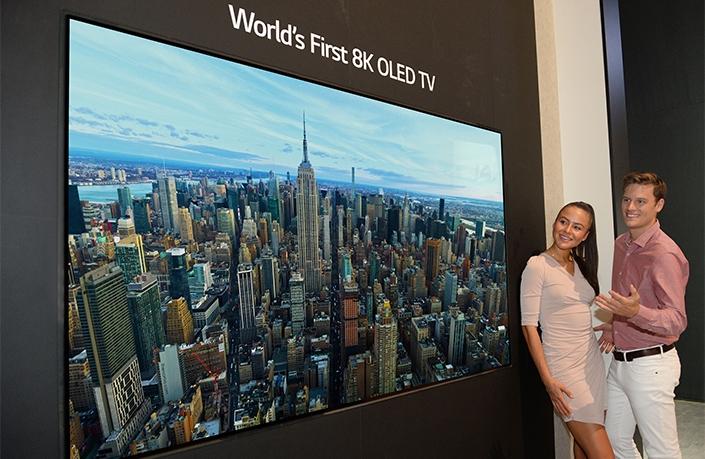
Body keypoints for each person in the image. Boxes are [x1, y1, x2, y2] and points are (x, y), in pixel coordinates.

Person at [594, 172, 689, 458]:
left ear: (658, 205)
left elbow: (677, 320)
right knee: (614, 441)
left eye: (640, 201)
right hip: (620, 363)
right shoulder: (621, 243)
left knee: (661, 451)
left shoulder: (664, 254)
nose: (630, 207)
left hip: (652, 365)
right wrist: (614, 323)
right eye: (626, 199)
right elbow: (623, 299)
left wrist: (636, 313)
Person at [521, 202, 614, 459]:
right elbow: (529, 327)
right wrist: (548, 380)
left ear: (585, 235)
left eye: (577, 227)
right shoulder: (537, 265)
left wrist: (613, 326)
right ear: (555, 222)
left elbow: (586, 308)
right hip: (563, 368)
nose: (567, 230)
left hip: (591, 363)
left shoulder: (581, 264)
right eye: (563, 221)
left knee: (584, 445)